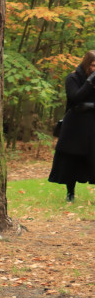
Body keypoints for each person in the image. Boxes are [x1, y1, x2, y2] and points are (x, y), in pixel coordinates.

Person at [49, 50, 95, 202]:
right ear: (86, 64)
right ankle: (70, 193)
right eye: (93, 66)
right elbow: (75, 97)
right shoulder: (73, 78)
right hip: (75, 126)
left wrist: (88, 105)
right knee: (71, 160)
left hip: (92, 124)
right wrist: (89, 82)